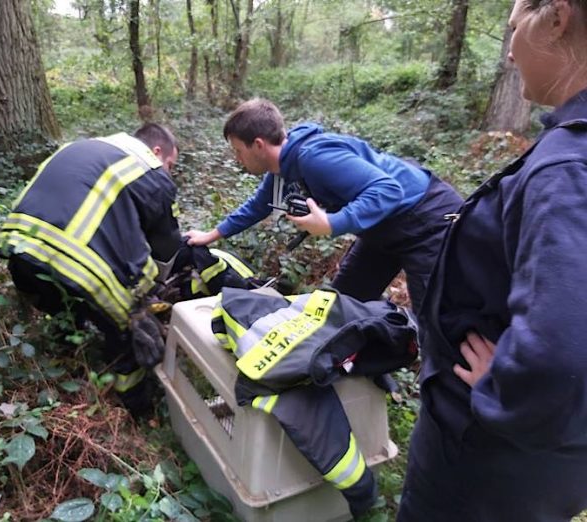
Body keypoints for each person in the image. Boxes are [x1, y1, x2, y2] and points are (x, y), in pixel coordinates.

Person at [397, 1, 587, 520]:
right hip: (543, 468)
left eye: (514, 28)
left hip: (484, 466)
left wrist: (503, 392)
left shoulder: (568, 166)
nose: (509, 51)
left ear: (556, 17)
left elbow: (562, 355)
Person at [185, 98, 462, 315]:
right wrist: (212, 235)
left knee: (436, 319)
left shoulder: (315, 157)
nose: (237, 159)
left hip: (427, 219)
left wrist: (332, 223)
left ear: (258, 145)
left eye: (238, 151)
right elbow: (258, 206)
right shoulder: (280, 169)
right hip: (382, 228)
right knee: (340, 304)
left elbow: (388, 190)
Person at [0, 123, 181, 417]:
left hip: (19, 249)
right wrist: (148, 293)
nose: (168, 172)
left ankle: (65, 375)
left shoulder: (81, 146)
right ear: (157, 151)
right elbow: (166, 245)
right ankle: (137, 409)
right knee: (128, 331)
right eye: (170, 165)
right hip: (77, 265)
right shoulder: (148, 168)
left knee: (65, 313)